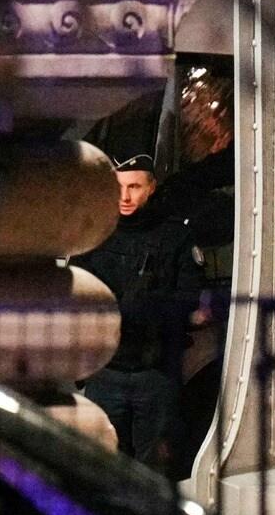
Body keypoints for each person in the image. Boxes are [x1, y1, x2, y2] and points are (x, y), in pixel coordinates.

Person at [75, 153, 205, 475]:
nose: (125, 196)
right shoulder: (97, 233)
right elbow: (78, 294)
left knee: (154, 470)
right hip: (107, 369)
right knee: (101, 464)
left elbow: (187, 300)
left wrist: (139, 309)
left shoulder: (175, 236)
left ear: (151, 188)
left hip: (155, 372)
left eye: (134, 186)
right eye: (118, 187)